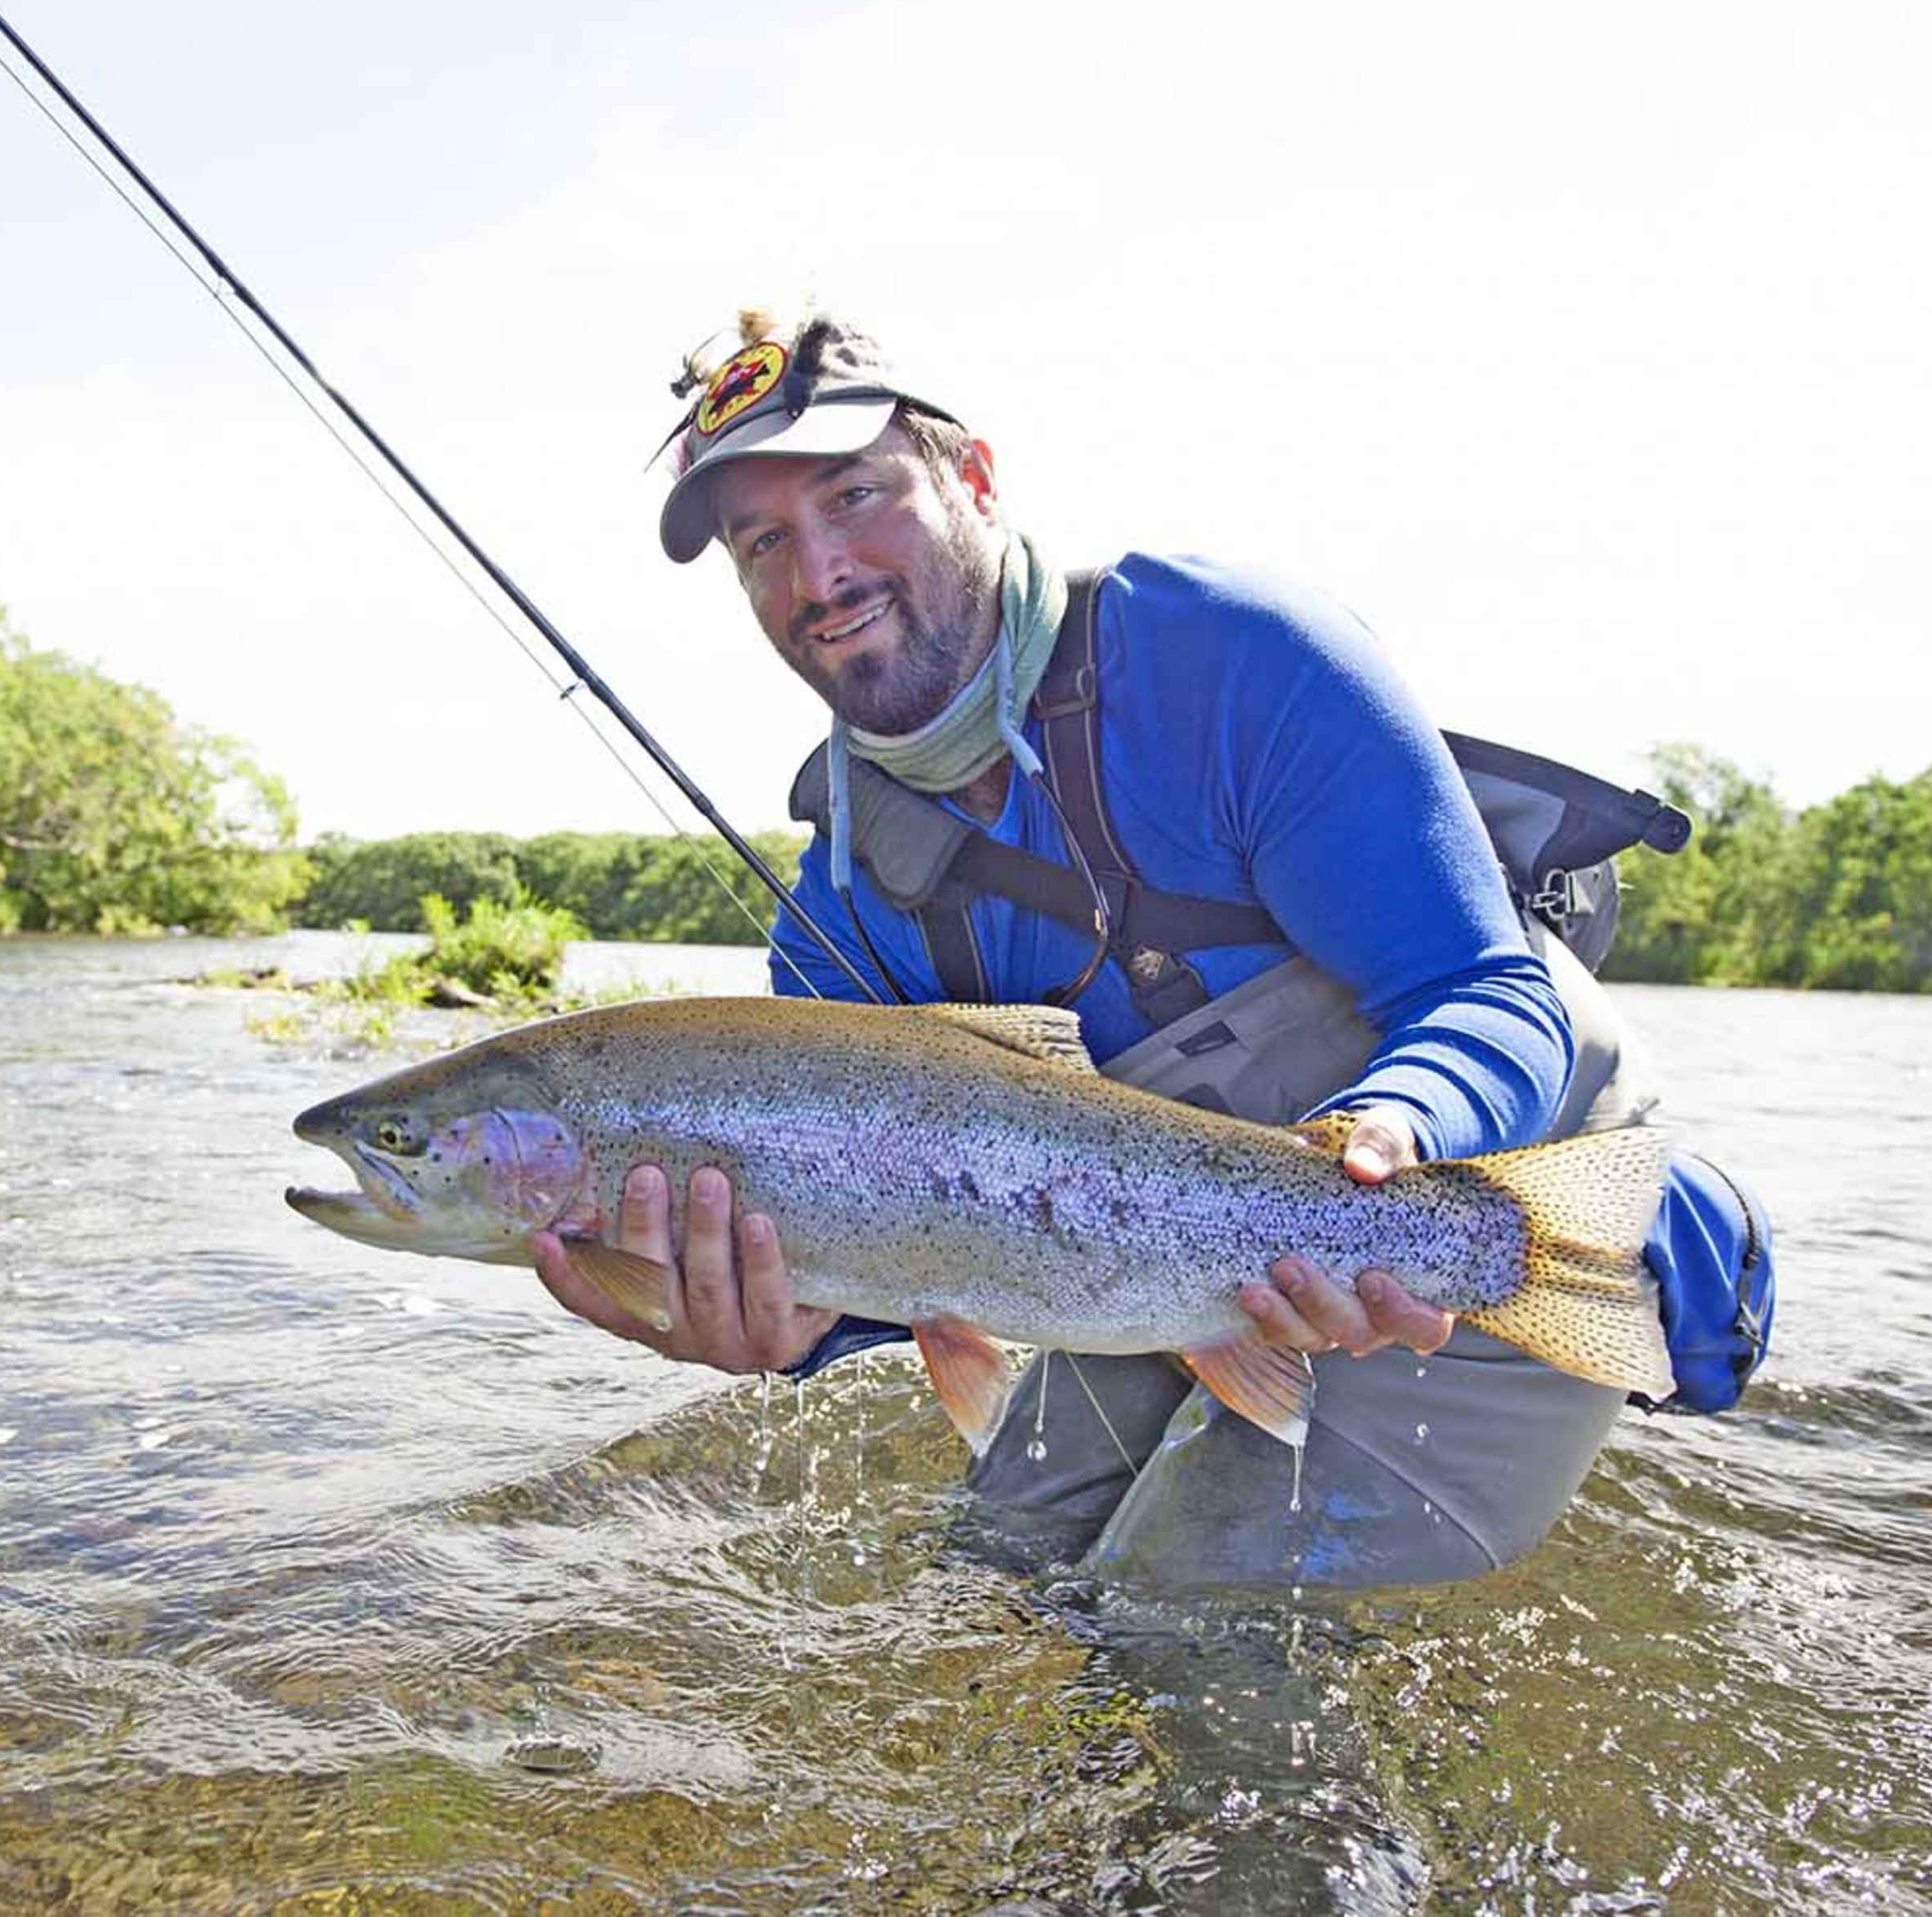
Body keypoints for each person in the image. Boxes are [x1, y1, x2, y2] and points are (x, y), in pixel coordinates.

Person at [532, 310, 1667, 1590]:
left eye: (857, 495)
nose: (819, 573)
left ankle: (1636, 1284)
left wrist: (1397, 1136)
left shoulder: (1229, 657)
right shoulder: (840, 907)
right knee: (1000, 1566)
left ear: (974, 480)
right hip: (1170, 1251)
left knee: (1173, 1612)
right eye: (764, 543)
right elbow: (921, 1264)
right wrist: (776, 1326)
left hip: (1501, 1165)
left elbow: (1486, 988)